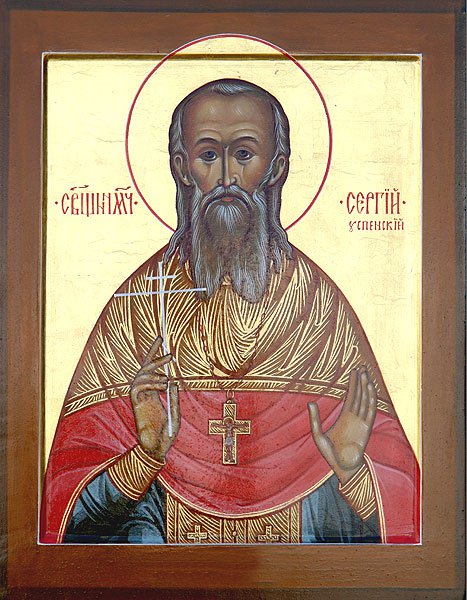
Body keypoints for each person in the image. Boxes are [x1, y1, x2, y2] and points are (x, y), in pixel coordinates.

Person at [40, 79, 419, 544]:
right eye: (207, 155)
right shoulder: (138, 309)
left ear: (277, 167)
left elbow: (411, 522)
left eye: (243, 154)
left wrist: (353, 474)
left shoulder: (320, 310)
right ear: (181, 168)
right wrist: (144, 457)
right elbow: (61, 516)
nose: (226, 178)